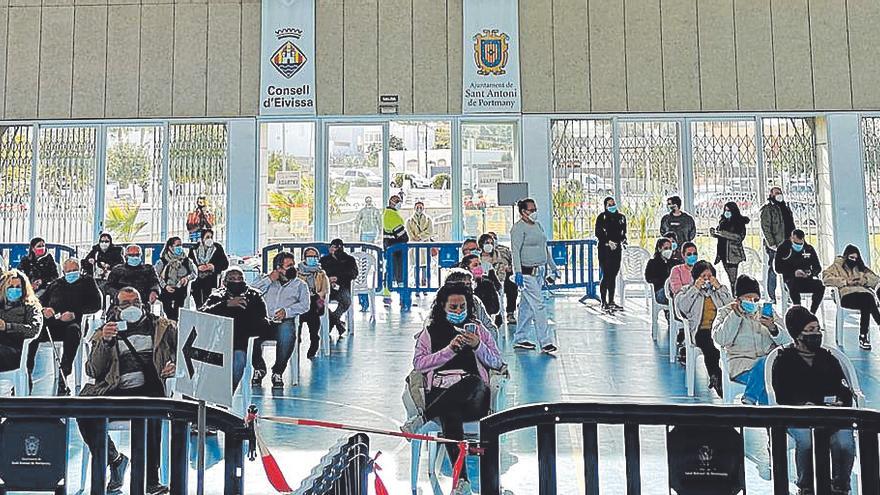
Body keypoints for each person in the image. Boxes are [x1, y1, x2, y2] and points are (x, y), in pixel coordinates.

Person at [78, 286, 176, 495]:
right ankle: (114, 458)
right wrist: (105, 342)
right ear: (117, 307)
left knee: (153, 413)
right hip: (115, 390)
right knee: (84, 413)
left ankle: (151, 479)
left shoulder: (161, 327)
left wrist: (176, 366)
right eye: (125, 304)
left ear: (143, 305)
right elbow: (93, 370)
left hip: (149, 389)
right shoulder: (106, 330)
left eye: (135, 302)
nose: (131, 307)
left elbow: (186, 351)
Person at [412, 283, 503, 495]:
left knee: (472, 382)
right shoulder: (430, 332)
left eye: (462, 306)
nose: (458, 311)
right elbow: (419, 363)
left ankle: (423, 418)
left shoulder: (478, 329)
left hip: (474, 396)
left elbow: (497, 361)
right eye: (453, 307)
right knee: (450, 412)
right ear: (442, 307)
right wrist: (449, 350)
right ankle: (462, 482)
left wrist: (478, 346)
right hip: (442, 391)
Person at [772, 306, 856, 495]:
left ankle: (840, 486)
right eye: (809, 331)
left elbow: (844, 389)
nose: (816, 334)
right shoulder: (784, 361)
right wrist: (801, 405)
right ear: (797, 334)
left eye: (817, 329)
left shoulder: (829, 359)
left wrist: (841, 402)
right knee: (806, 442)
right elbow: (781, 394)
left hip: (831, 415)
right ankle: (806, 486)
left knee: (844, 443)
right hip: (798, 416)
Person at [27, 258, 101, 395]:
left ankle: (64, 375)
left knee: (72, 332)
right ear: (63, 272)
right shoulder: (56, 284)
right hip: (52, 324)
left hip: (74, 323)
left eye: (75, 270)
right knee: (33, 333)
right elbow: (39, 302)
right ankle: (27, 372)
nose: (72, 273)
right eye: (69, 271)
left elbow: (96, 304)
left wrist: (75, 313)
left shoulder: (88, 282)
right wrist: (45, 309)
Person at [713, 275, 789, 405]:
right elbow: (720, 339)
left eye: (755, 299)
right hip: (742, 366)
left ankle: (750, 400)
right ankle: (773, 421)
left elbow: (787, 340)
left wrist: (772, 328)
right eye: (748, 298)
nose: (752, 302)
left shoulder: (766, 312)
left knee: (767, 368)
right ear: (738, 298)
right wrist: (736, 316)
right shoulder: (725, 312)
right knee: (767, 382)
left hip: (769, 363)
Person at [200, 267, 268, 392]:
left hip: (242, 343)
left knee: (238, 363)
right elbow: (202, 314)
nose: (236, 281)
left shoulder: (254, 295)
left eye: (240, 278)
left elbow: (262, 321)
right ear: (225, 282)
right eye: (232, 279)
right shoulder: (216, 296)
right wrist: (226, 304)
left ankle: (226, 394)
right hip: (217, 343)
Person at [251, 252, 310, 388]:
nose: (292, 269)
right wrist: (269, 280)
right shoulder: (265, 281)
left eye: (293, 265)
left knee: (287, 333)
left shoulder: (300, 285)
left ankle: (277, 371)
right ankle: (259, 368)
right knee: (248, 332)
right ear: (279, 268)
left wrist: (287, 311)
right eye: (288, 266)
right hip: (264, 321)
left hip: (284, 322)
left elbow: (305, 305)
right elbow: (251, 292)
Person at [674, 261, 732, 397]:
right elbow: (683, 308)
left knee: (720, 344)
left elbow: (731, 306)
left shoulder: (717, 291)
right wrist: (695, 289)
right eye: (703, 276)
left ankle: (718, 378)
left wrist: (719, 288)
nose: (707, 279)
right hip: (701, 330)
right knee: (711, 349)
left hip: (718, 328)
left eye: (709, 276)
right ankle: (717, 378)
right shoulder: (688, 291)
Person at [510, 198, 558, 354]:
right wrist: (517, 271)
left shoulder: (537, 226)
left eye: (535, 209)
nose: (534, 212)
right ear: (523, 212)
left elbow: (544, 247)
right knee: (539, 305)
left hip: (539, 272)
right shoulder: (518, 228)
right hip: (526, 274)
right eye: (531, 210)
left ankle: (520, 338)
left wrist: (552, 266)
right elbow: (515, 251)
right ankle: (545, 342)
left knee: (526, 306)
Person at [822, 244, 880, 350]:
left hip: (862, 294)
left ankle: (863, 336)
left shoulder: (860, 267)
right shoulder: (837, 266)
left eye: (855, 258)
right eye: (851, 258)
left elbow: (876, 279)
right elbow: (826, 279)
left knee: (866, 301)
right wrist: (845, 282)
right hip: (846, 296)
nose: (853, 260)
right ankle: (877, 323)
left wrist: (864, 280)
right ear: (846, 256)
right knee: (868, 299)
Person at [0, 270, 42, 374]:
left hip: (17, 351)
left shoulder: (31, 306)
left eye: (18, 287)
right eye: (10, 287)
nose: (14, 290)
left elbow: (34, 329)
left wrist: (8, 326)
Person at [775, 229, 825, 314]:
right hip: (791, 279)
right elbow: (778, 268)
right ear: (791, 238)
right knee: (794, 285)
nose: (799, 245)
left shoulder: (808, 249)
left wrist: (810, 272)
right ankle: (798, 311)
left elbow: (817, 267)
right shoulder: (783, 249)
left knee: (820, 285)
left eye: (800, 243)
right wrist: (793, 272)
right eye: (796, 243)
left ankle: (812, 313)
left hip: (806, 279)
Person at [760, 186, 796, 304]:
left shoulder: (785, 207)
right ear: (771, 195)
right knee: (773, 269)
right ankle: (771, 296)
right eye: (776, 193)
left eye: (780, 192)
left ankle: (789, 294)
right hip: (775, 245)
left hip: (788, 244)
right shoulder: (768, 209)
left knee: (789, 270)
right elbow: (766, 228)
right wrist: (771, 243)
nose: (779, 195)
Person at [297, 247, 331, 359]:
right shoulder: (297, 272)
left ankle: (314, 341)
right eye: (309, 256)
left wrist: (318, 295)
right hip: (300, 301)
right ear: (304, 258)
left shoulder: (321, 273)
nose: (312, 259)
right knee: (301, 310)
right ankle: (297, 338)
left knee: (312, 312)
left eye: (314, 256)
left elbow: (325, 290)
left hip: (315, 301)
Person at [319, 239, 358, 336]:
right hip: (326, 288)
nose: (334, 250)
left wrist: (338, 278)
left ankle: (331, 322)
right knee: (318, 302)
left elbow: (353, 274)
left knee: (346, 300)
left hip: (342, 287)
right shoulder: (324, 260)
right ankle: (338, 324)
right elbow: (318, 274)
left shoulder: (349, 260)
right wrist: (328, 279)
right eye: (332, 247)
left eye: (337, 247)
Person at [595, 197, 627, 311]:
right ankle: (603, 301)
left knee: (613, 275)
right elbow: (598, 233)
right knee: (606, 275)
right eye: (609, 204)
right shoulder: (602, 217)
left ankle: (612, 300)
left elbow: (623, 232)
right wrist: (608, 242)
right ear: (605, 206)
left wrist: (622, 240)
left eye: (613, 203)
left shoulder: (621, 218)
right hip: (605, 250)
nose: (612, 206)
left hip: (616, 250)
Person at [444, 269, 499, 335]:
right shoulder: (441, 302)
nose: (466, 288)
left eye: (468, 284)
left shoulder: (475, 302)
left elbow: (492, 329)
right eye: (462, 284)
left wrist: (480, 332)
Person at [154, 237, 196, 321]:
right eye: (177, 245)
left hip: (181, 291)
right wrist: (165, 286)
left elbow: (194, 273)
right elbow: (156, 276)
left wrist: (187, 278)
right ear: (170, 247)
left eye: (181, 245)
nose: (180, 247)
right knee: (168, 311)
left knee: (179, 312)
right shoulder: (163, 261)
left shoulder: (187, 261)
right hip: (166, 290)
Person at [188, 229, 229, 310]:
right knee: (199, 301)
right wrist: (198, 268)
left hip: (211, 280)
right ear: (202, 238)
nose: (209, 239)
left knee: (209, 301)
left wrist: (213, 266)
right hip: (197, 280)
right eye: (207, 237)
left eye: (211, 237)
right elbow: (189, 264)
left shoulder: (217, 248)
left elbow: (225, 264)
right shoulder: (194, 249)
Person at [480, 233, 515, 325]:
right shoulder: (476, 258)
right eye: (487, 242)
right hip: (480, 284)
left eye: (491, 242)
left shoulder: (500, 255)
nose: (489, 245)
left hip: (498, 282)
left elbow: (503, 271)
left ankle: (506, 315)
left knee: (510, 288)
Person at [711, 201, 749, 284]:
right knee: (729, 278)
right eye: (725, 210)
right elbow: (720, 235)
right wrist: (715, 233)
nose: (726, 212)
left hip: (733, 254)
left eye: (729, 210)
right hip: (723, 253)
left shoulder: (739, 222)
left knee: (733, 279)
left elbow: (739, 237)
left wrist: (724, 233)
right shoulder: (723, 221)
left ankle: (735, 295)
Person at [460, 254, 501, 319]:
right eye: (475, 265)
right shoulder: (459, 285)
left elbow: (495, 308)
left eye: (480, 264)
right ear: (466, 268)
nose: (479, 267)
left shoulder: (487, 283)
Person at [644, 237, 680, 306]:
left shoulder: (675, 262)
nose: (669, 251)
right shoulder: (652, 263)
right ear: (659, 249)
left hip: (674, 290)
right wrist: (665, 281)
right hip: (660, 291)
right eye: (666, 248)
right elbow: (648, 278)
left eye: (670, 248)